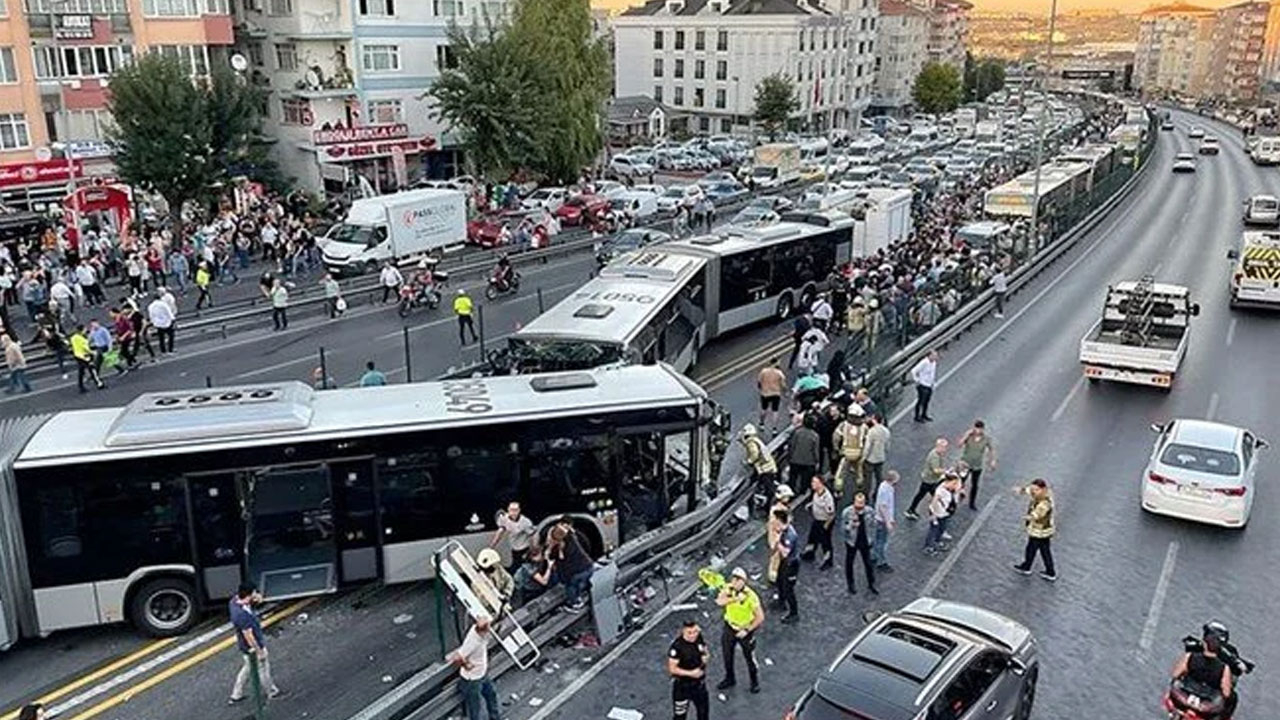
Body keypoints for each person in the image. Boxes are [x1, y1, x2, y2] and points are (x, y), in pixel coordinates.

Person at [228, 583, 281, 704]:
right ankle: (271, 691)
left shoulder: (234, 601)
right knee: (263, 669)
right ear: (249, 594)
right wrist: (259, 651)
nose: (256, 594)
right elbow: (249, 636)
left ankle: (236, 694)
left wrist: (256, 600)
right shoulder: (242, 616)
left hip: (244, 647)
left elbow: (246, 600)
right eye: (254, 592)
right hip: (252, 647)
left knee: (248, 668)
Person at [714, 567, 763, 694]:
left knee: (750, 657)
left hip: (744, 630)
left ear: (744, 581)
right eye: (734, 578)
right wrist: (735, 599)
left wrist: (747, 630)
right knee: (727, 655)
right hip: (730, 627)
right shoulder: (728, 589)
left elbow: (760, 617)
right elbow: (719, 601)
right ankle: (730, 678)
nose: (735, 582)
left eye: (738, 580)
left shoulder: (751, 596)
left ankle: (754, 681)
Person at [450, 612, 502, 720]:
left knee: (491, 695)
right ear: (482, 631)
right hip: (472, 680)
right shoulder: (473, 642)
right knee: (475, 708)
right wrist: (466, 665)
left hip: (482, 674)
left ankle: (495, 717)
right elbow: (457, 657)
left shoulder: (479, 632)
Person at [1171, 632, 1233, 717]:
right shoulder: (1224, 668)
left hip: (1184, 696)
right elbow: (1226, 693)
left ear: (1205, 644)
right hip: (1206, 704)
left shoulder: (1190, 656)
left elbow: (1175, 674)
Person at [1012, 478, 1056, 581]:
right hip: (1045, 531)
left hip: (1039, 531)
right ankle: (1050, 571)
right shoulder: (1041, 493)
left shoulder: (1044, 503)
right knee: (1045, 550)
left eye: (1035, 489)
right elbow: (1029, 490)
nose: (1033, 491)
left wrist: (1029, 517)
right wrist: (1022, 490)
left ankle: (1027, 566)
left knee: (1031, 549)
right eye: (1033, 489)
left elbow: (1038, 514)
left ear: (1042, 489)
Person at [668, 619, 711, 720]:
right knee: (680, 716)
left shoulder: (699, 638)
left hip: (699, 686)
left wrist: (706, 657)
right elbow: (672, 668)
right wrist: (691, 673)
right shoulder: (677, 647)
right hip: (682, 687)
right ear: (683, 631)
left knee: (703, 714)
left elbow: (704, 650)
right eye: (689, 633)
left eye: (695, 631)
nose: (693, 635)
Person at [840, 492, 878, 595]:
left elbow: (874, 525)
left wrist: (872, 539)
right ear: (854, 501)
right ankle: (850, 584)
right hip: (852, 541)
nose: (860, 505)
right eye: (858, 502)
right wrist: (851, 526)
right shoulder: (847, 512)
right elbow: (842, 528)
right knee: (849, 563)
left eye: (862, 503)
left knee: (868, 563)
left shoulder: (870, 511)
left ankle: (871, 583)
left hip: (865, 541)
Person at [549, 522, 593, 612]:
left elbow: (565, 571)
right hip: (588, 566)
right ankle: (579, 598)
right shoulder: (572, 538)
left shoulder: (562, 551)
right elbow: (568, 531)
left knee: (571, 585)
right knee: (578, 584)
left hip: (577, 571)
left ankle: (574, 604)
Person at [905, 438, 949, 521]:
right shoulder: (934, 456)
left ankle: (911, 510)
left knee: (921, 495)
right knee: (935, 496)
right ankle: (939, 512)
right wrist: (945, 471)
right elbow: (936, 470)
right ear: (939, 446)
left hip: (930, 480)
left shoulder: (937, 454)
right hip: (930, 480)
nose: (945, 449)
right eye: (944, 447)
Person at [957, 420, 997, 510]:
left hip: (977, 465)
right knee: (959, 482)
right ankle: (955, 500)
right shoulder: (969, 436)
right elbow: (959, 445)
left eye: (980, 429)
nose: (978, 431)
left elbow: (992, 449)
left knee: (975, 485)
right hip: (965, 464)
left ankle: (972, 503)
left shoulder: (986, 439)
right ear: (974, 428)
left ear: (983, 429)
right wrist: (966, 435)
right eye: (976, 428)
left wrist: (993, 460)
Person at [740, 424, 778, 511]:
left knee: (768, 489)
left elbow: (754, 455)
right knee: (766, 487)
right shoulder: (755, 440)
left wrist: (748, 462)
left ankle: (768, 507)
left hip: (765, 469)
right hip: (768, 467)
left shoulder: (751, 442)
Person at [772, 508, 801, 623]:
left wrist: (777, 541)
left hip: (791, 564)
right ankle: (781, 601)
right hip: (785, 562)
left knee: (789, 589)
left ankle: (794, 613)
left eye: (776, 521)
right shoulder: (782, 531)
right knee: (779, 581)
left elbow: (785, 552)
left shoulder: (790, 535)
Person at [924, 473, 962, 556]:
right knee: (933, 530)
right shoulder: (940, 490)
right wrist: (933, 515)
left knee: (942, 528)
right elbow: (934, 502)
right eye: (954, 483)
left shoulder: (950, 489)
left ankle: (937, 541)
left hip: (945, 513)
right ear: (948, 482)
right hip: (937, 513)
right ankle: (928, 546)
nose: (955, 485)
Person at [801, 475, 835, 569]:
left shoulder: (827, 498)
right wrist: (810, 505)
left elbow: (831, 514)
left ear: (820, 484)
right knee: (812, 537)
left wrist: (826, 525)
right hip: (817, 519)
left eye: (814, 482)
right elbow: (815, 500)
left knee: (825, 542)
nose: (812, 484)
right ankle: (809, 554)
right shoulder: (816, 492)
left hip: (824, 521)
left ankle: (828, 560)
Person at [833, 405, 866, 496]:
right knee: (859, 472)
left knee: (840, 474)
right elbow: (866, 440)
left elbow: (836, 437)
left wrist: (836, 449)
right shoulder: (864, 427)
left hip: (846, 453)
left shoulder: (843, 425)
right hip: (859, 453)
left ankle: (838, 490)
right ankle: (860, 488)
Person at [491, 501, 536, 569]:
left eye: (515, 510)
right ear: (508, 510)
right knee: (516, 564)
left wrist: (533, 550)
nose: (513, 513)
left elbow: (532, 535)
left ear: (519, 511)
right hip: (514, 548)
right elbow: (500, 531)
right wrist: (492, 545)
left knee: (524, 567)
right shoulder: (504, 519)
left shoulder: (526, 522)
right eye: (511, 510)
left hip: (524, 548)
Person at [872, 470, 899, 572]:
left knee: (877, 539)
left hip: (880, 519)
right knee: (882, 542)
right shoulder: (886, 489)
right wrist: (888, 521)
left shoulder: (884, 486)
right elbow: (883, 506)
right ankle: (881, 562)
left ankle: (874, 556)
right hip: (882, 520)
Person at [787, 418, 821, 491]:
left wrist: (790, 456)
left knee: (793, 477)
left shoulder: (797, 433)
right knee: (805, 478)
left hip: (795, 459)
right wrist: (817, 461)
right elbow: (815, 450)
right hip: (808, 462)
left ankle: (791, 490)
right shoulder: (815, 436)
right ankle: (803, 491)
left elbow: (792, 445)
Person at [863, 413, 890, 494]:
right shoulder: (886, 431)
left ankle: (866, 493)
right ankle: (877, 492)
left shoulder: (871, 431)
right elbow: (887, 445)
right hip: (880, 457)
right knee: (879, 476)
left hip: (871, 459)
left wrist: (864, 457)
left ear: (874, 420)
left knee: (868, 479)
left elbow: (867, 447)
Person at [756, 359, 786, 433]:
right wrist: (785, 391)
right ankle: (774, 429)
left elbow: (759, 382)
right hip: (775, 393)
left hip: (765, 393)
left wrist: (761, 388)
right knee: (775, 411)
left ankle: (761, 424)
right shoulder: (779, 373)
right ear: (776, 363)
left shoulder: (763, 371)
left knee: (764, 409)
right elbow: (783, 385)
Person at [70, 325, 103, 392]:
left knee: (81, 371)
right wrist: (93, 352)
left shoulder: (73, 338)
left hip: (77, 356)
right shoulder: (82, 339)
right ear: (82, 330)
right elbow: (86, 348)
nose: (86, 331)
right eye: (85, 330)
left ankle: (81, 386)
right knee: (92, 369)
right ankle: (99, 383)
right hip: (85, 356)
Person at [911, 350, 939, 422]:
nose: (936, 357)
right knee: (921, 401)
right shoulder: (924, 362)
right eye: (934, 356)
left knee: (927, 401)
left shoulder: (934, 363)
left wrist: (933, 383)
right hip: (923, 385)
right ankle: (917, 416)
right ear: (929, 356)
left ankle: (924, 414)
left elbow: (932, 374)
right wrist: (917, 380)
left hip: (929, 385)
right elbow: (914, 371)